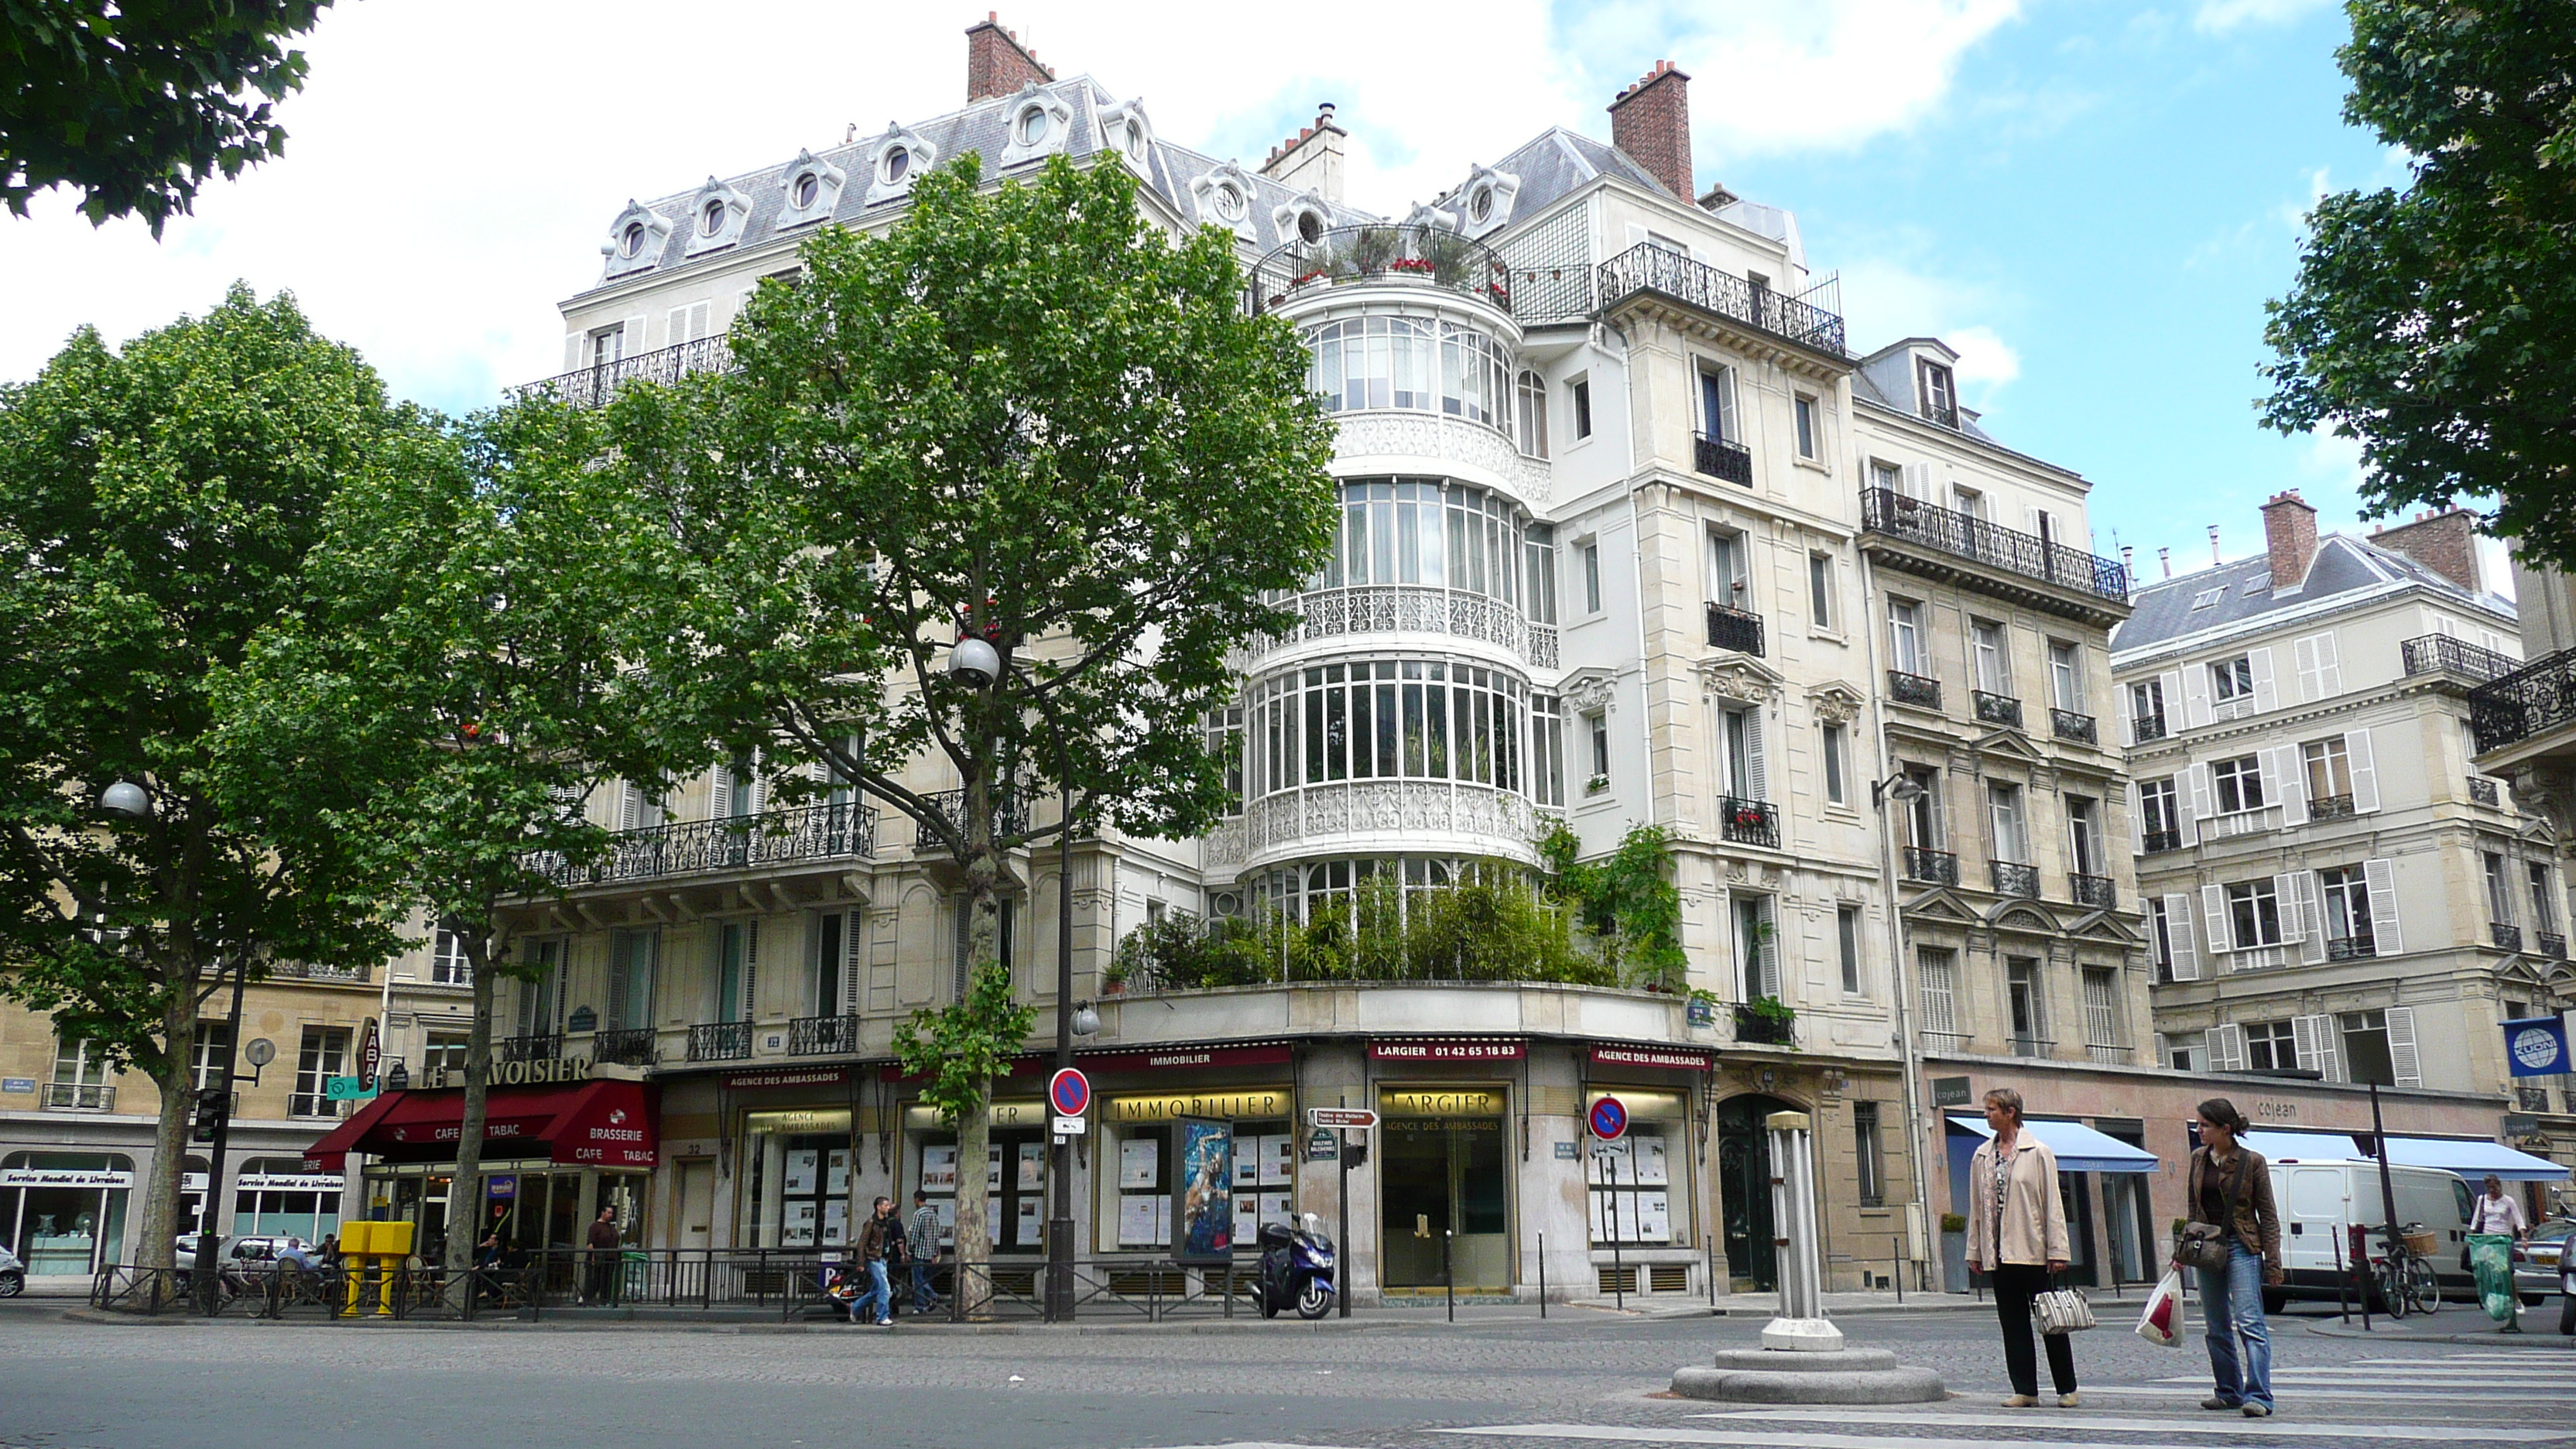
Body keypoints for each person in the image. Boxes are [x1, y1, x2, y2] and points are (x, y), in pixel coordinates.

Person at [1964, 1087, 2078, 1409]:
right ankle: (2025, 1389)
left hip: (2034, 1251)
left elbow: (2053, 1203)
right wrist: (1975, 1251)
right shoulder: (1982, 1156)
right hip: (1998, 1254)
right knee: (2013, 1325)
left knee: (2051, 1323)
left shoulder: (2039, 1152)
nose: (1986, 1115)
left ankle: (2067, 1388)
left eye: (1991, 1110)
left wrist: (2058, 1251)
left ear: (2010, 1112)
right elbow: (1977, 1206)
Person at [2184, 1097, 2282, 1419]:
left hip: (2242, 1246)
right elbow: (2193, 1210)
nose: (2198, 1130)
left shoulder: (2252, 1161)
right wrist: (2183, 1250)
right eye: (2198, 1124)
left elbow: (2267, 1214)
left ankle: (2259, 1396)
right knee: (2216, 1325)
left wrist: (2273, 1263)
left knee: (2250, 1322)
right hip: (2207, 1247)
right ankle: (2228, 1391)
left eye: (2204, 1126)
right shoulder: (2198, 1159)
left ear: (2225, 1129)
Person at [855, 1196, 899, 1327]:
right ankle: (882, 1316)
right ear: (878, 1207)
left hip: (883, 1258)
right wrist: (861, 1262)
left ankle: (855, 1308)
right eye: (885, 1205)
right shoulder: (871, 1223)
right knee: (885, 1288)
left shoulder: (886, 1222)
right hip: (873, 1258)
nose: (888, 1207)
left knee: (876, 1290)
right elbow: (862, 1243)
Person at [907, 1190, 944, 1317]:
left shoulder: (919, 1214)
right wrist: (935, 1253)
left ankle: (923, 1303)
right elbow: (936, 1236)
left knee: (918, 1279)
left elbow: (915, 1234)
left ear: (917, 1199)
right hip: (930, 1252)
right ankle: (928, 1301)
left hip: (919, 1252)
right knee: (926, 1278)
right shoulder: (933, 1214)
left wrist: (910, 1248)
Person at [583, 1205, 622, 1307]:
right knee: (597, 1279)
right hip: (600, 1257)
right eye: (608, 1213)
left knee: (608, 1279)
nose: (610, 1215)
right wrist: (592, 1257)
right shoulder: (595, 1227)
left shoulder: (611, 1227)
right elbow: (590, 1243)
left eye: (611, 1213)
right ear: (603, 1213)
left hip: (611, 1257)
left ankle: (605, 1300)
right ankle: (588, 1298)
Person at [2471, 1175, 2528, 1242]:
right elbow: (2476, 1218)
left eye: (2494, 1187)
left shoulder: (2508, 1200)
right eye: (2489, 1188)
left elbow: (2518, 1219)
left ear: (2499, 1186)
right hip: (2487, 1236)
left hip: (2504, 1236)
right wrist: (2472, 1236)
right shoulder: (2482, 1199)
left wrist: (2523, 1237)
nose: (2492, 1190)